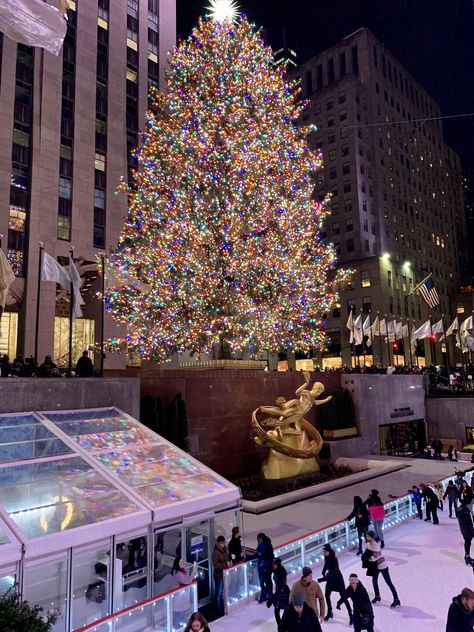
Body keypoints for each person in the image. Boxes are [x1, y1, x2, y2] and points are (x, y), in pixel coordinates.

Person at [363, 530, 400, 608]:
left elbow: (374, 558)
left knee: (389, 582)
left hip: (382, 566)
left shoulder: (376, 546)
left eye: (368, 536)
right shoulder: (367, 545)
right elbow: (367, 555)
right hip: (375, 567)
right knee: (374, 581)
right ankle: (377, 596)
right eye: (366, 536)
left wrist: (367, 558)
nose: (367, 537)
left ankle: (396, 599)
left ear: (372, 537)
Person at [318, 543, 352, 624]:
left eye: (325, 552)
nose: (324, 553)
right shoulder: (326, 557)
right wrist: (323, 571)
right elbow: (326, 564)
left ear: (329, 551)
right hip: (330, 578)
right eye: (323, 552)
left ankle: (351, 615)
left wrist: (323, 579)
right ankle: (330, 612)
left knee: (343, 597)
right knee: (327, 595)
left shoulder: (334, 559)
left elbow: (333, 572)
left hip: (337, 580)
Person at [211, 535, 230, 615]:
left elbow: (227, 557)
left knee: (222, 592)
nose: (223, 544)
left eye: (224, 543)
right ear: (218, 543)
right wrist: (225, 564)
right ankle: (217, 610)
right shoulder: (215, 552)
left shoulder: (225, 549)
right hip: (218, 575)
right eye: (222, 543)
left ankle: (222, 608)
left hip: (224, 574)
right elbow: (216, 565)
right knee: (218, 593)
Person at [269, 557, 289, 626]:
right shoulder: (276, 570)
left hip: (282, 593)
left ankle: (282, 627)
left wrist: (271, 600)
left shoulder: (281, 573)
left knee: (285, 611)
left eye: (275, 564)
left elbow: (281, 586)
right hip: (279, 592)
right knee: (276, 612)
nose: (273, 565)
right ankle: (280, 627)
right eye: (273, 564)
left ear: (278, 564)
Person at [256, 532, 274, 604]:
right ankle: (267, 594)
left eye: (259, 539)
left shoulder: (266, 545)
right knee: (265, 580)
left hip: (268, 565)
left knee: (267, 580)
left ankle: (269, 594)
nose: (258, 540)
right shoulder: (264, 544)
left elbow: (269, 555)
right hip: (265, 565)